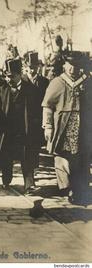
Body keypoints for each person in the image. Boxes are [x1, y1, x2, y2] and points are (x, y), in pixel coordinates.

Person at [42, 51, 91, 205]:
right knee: (62, 157)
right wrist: (48, 126)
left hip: (83, 127)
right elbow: (47, 106)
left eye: (76, 66)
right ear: (64, 65)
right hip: (63, 127)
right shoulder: (57, 82)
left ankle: (79, 190)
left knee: (82, 158)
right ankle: (67, 186)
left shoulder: (87, 82)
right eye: (70, 65)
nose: (72, 69)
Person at [0, 58, 43, 194]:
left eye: (12, 76)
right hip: (7, 130)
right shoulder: (1, 90)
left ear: (19, 74)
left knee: (27, 157)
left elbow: (37, 111)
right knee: (6, 156)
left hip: (25, 130)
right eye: (6, 76)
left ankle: (29, 185)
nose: (8, 79)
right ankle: (6, 180)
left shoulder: (32, 90)